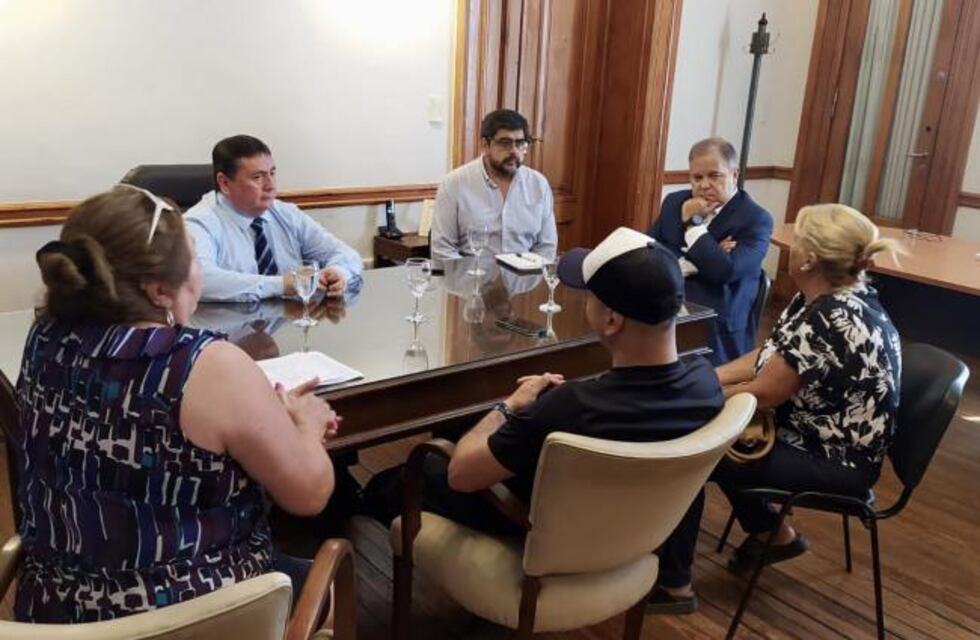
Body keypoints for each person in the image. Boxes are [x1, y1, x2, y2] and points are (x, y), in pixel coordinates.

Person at [12, 186, 339, 622]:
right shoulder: (207, 365)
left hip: (55, 608)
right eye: (195, 260)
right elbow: (310, 493)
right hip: (191, 616)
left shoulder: (44, 337)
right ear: (160, 289)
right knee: (332, 586)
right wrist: (307, 425)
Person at [364, 227, 724, 593]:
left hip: (539, 525)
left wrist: (510, 406)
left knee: (393, 482)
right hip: (631, 531)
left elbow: (461, 475)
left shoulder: (569, 407)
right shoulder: (706, 385)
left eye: (588, 296)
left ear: (611, 320)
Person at [654, 204, 902, 613]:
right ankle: (775, 535)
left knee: (691, 454)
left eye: (797, 239)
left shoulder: (832, 315)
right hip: (812, 435)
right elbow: (767, 356)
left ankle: (674, 586)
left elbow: (763, 393)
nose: (785, 245)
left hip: (835, 461)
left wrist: (687, 395)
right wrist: (706, 378)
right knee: (715, 427)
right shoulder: (822, 298)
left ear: (809, 259)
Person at [185, 134, 363, 302]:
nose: (271, 185)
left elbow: (347, 254)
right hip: (225, 330)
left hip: (288, 326)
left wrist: (338, 272)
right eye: (258, 177)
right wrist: (283, 284)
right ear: (224, 183)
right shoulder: (199, 222)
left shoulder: (285, 213)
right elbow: (200, 279)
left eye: (272, 173)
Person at [648, 137, 773, 364]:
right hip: (664, 308)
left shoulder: (755, 219)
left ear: (734, 175)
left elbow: (724, 272)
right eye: (697, 177)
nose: (704, 185)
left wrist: (692, 225)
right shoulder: (675, 202)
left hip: (716, 322)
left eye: (714, 176)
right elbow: (647, 252)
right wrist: (697, 261)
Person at [430, 109, 558, 261]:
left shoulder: (538, 184)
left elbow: (547, 247)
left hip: (524, 280)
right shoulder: (454, 184)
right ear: (485, 145)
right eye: (505, 143)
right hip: (471, 280)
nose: (514, 151)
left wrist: (531, 279)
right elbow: (442, 250)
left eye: (520, 143)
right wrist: (468, 281)